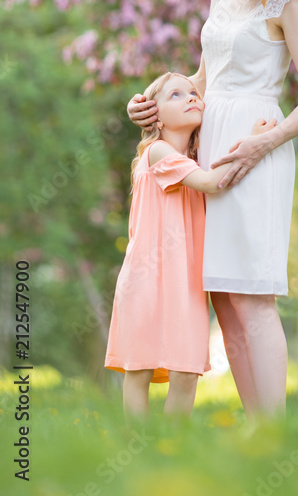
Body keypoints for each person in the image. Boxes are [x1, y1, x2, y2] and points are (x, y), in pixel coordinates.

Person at [127, 0, 298, 419]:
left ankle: (274, 430)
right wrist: (155, 105)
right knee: (221, 296)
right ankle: (255, 426)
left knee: (251, 296)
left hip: (255, 148)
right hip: (208, 149)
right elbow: (204, 79)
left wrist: (267, 140)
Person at [107, 70, 275, 420]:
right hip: (146, 281)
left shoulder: (191, 160)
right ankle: (136, 451)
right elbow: (213, 183)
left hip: (185, 284)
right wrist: (253, 143)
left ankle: (171, 452)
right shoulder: (157, 152)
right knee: (139, 370)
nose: (191, 98)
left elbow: (207, 178)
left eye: (193, 93)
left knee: (186, 373)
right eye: (176, 95)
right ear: (154, 115)